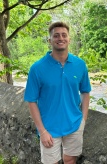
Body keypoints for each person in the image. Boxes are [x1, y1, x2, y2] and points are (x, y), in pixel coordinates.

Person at [24, 21, 91, 164]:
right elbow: (31, 100)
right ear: (50, 40)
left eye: (64, 35)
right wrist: (42, 131)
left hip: (74, 124)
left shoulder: (80, 65)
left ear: (69, 39)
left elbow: (85, 92)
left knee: (70, 160)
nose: (61, 38)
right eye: (56, 36)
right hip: (49, 127)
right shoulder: (37, 68)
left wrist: (83, 120)